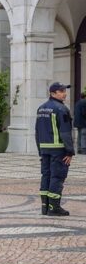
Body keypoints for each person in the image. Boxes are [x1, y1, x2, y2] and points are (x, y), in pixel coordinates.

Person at [36, 82, 75, 216]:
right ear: (53, 93)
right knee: (57, 177)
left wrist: (40, 151)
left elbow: (37, 131)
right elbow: (65, 132)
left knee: (46, 175)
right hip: (59, 149)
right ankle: (54, 207)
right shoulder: (61, 109)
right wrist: (70, 151)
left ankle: (45, 206)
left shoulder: (41, 108)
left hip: (45, 149)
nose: (64, 93)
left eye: (65, 90)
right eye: (61, 91)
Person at [74, 89, 86, 155]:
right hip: (83, 122)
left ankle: (79, 149)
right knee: (84, 135)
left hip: (77, 122)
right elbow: (84, 113)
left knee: (79, 135)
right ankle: (83, 149)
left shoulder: (77, 102)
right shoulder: (84, 102)